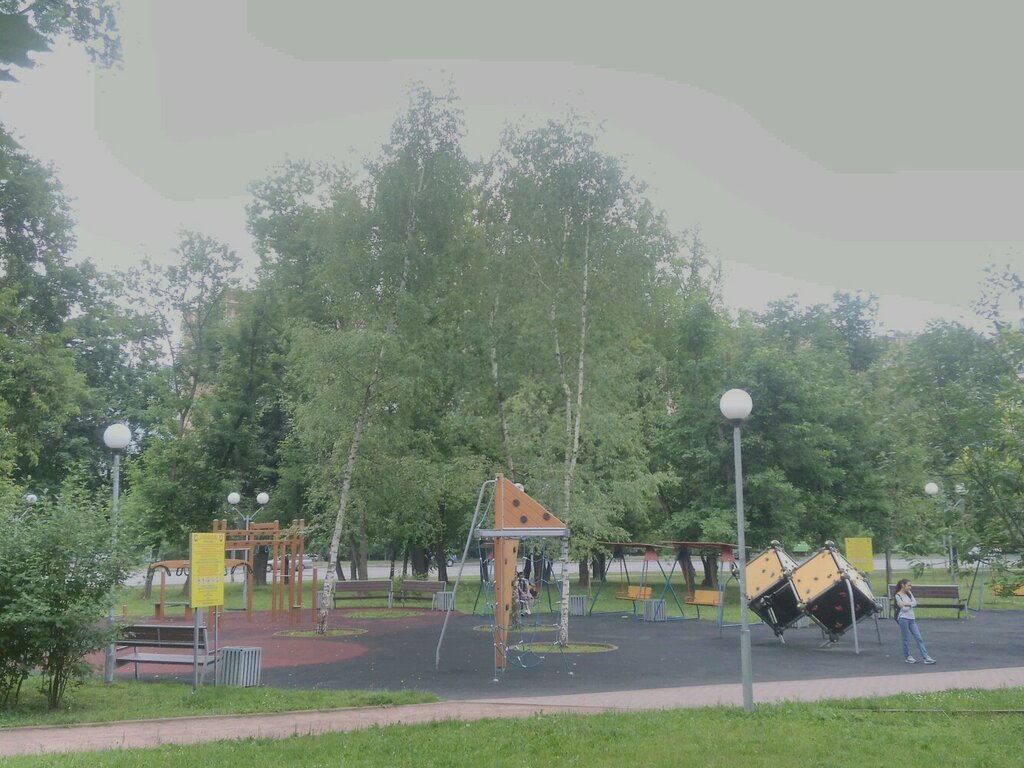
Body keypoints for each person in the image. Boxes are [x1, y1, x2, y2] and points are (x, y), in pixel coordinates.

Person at [894, 579, 936, 664]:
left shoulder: (909, 593)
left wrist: (906, 604)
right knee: (905, 638)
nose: (910, 587)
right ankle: (907, 656)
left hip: (911, 618)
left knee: (919, 638)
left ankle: (926, 657)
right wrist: (910, 604)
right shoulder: (898, 595)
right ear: (903, 585)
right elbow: (904, 609)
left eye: (910, 585)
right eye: (908, 585)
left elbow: (915, 603)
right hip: (903, 619)